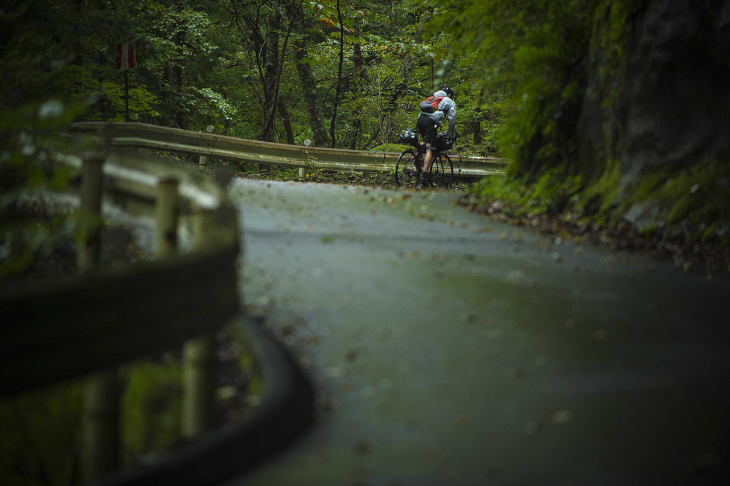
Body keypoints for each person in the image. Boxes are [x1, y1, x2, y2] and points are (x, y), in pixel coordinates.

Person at [415, 86, 456, 185]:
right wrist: (451, 134)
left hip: (420, 120)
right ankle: (424, 175)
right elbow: (451, 119)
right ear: (449, 94)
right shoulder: (449, 101)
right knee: (430, 148)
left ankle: (417, 159)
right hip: (430, 122)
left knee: (424, 142)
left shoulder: (432, 98)